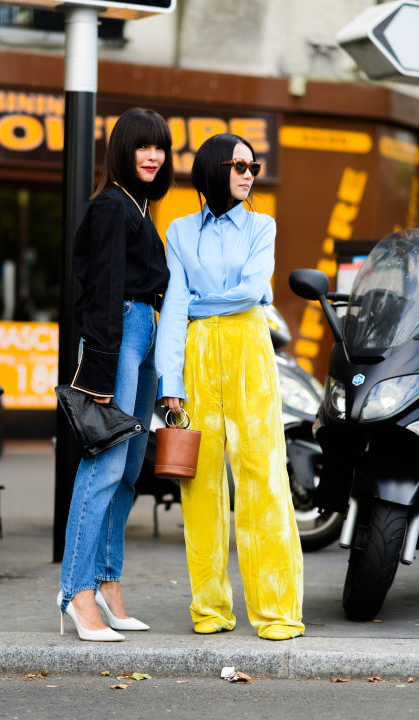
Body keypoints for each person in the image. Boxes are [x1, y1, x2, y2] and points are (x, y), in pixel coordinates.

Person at [155, 133, 304, 641]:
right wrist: (169, 380)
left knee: (263, 480)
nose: (248, 173)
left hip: (248, 353)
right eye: (239, 164)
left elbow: (253, 291)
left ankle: (277, 610)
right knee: (200, 487)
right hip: (195, 360)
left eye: (253, 165)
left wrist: (201, 302)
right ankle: (211, 609)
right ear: (212, 170)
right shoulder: (178, 230)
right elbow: (174, 305)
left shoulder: (263, 225)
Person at [58, 107, 173, 641]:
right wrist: (101, 370)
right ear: (123, 151)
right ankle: (75, 591)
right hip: (119, 335)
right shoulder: (111, 207)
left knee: (128, 471)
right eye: (143, 146)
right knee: (102, 463)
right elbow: (101, 290)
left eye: (161, 147)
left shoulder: (140, 209)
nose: (154, 156)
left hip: (144, 333)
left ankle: (107, 582)